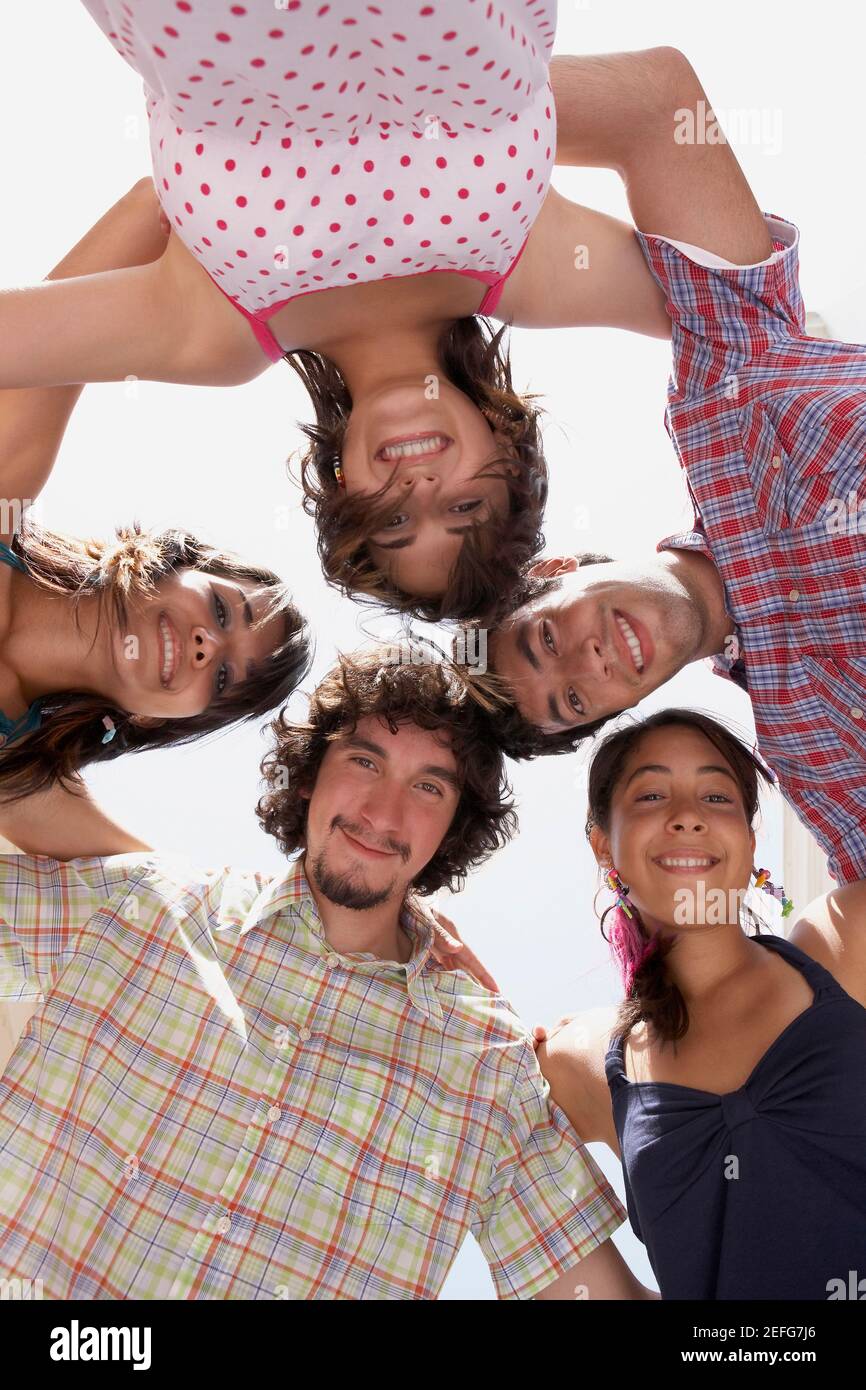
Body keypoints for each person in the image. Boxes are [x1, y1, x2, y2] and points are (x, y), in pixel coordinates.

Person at [0, 645, 654, 1300]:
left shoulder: (488, 1067)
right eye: (364, 761)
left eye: (428, 786)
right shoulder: (144, 905)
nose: (383, 812)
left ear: (453, 826)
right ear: (310, 773)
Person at [0, 4, 670, 619]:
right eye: (464, 507)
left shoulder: (222, 333)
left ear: (343, 485)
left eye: (395, 523)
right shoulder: (538, 272)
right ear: (507, 446)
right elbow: (668, 106)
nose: (420, 487)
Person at [484, 46, 866, 885]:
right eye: (576, 702)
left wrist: (360, 114)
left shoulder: (720, 390)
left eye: (548, 637)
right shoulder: (809, 745)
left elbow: (654, 106)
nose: (589, 663)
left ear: (555, 570)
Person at [0, 180, 310, 837]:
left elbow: (170, 914)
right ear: (171, 562)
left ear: (160, 720)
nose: (207, 643)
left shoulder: (18, 779)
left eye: (225, 678)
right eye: (223, 609)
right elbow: (159, 199)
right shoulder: (6, 480)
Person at [531, 709, 866, 1300]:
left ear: (750, 838)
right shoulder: (590, 1059)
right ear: (603, 845)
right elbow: (472, 1077)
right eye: (652, 795)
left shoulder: (848, 940)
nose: (687, 817)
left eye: (716, 796)